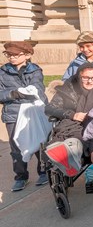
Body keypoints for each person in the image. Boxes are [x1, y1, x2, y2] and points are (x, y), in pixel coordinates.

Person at [1, 42, 48, 191]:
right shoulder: (2, 72)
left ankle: (43, 171)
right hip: (13, 114)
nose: (12, 57)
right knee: (16, 146)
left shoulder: (35, 70)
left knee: (39, 141)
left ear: (27, 55)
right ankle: (21, 176)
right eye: (9, 55)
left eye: (16, 54)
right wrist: (13, 94)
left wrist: (20, 94)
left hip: (32, 112)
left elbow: (37, 89)